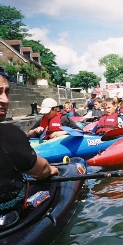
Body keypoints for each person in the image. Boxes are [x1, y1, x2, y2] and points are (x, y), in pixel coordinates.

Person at [0, 67, 58, 226]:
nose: (5, 99)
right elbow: (42, 171)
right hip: (8, 218)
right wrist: (51, 170)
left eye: (6, 92)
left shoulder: (64, 120)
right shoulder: (10, 135)